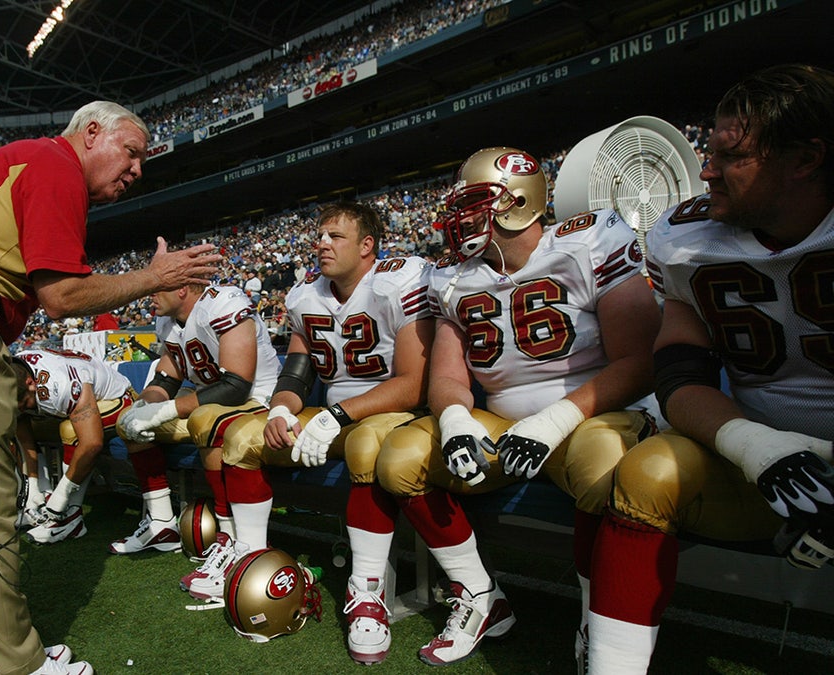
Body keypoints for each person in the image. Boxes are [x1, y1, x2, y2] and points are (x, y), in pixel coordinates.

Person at [0, 100, 219, 675]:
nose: (137, 171)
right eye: (131, 153)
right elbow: (63, 297)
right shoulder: (54, 165)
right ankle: (10, 665)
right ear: (91, 132)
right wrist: (156, 278)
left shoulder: (30, 162)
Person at [588, 63, 834, 674]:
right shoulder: (688, 238)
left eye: (732, 156)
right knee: (649, 470)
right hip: (764, 464)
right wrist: (758, 447)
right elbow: (679, 375)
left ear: (805, 160)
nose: (704, 171)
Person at [374, 147, 661, 668]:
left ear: (519, 202)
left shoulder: (588, 244)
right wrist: (457, 419)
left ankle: (600, 618)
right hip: (504, 424)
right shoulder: (453, 278)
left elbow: (640, 361)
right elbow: (446, 376)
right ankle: (479, 594)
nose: (461, 218)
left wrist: (554, 421)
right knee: (400, 457)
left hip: (590, 415)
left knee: (605, 462)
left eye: (476, 202)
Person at [217, 201, 434, 664]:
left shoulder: (399, 281)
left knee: (366, 445)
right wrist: (279, 410)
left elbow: (413, 384)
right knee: (241, 437)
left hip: (391, 412)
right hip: (332, 413)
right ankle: (249, 558)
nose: (321, 243)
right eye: (320, 235)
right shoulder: (304, 296)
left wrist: (338, 415)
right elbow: (297, 376)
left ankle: (368, 593)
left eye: (335, 236)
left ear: (367, 245)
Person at [110, 282, 280, 558]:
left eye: (156, 287)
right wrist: (144, 405)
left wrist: (166, 411)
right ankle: (162, 522)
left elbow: (236, 385)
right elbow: (166, 378)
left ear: (182, 289)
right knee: (127, 421)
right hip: (208, 404)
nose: (147, 294)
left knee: (205, 421)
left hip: (256, 399)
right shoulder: (168, 322)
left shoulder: (223, 302)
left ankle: (230, 536)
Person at [12, 347, 136, 544]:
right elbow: (24, 439)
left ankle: (70, 517)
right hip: (69, 399)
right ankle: (40, 500)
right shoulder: (13, 375)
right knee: (10, 431)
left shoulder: (58, 385)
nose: (23, 408)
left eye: (25, 402)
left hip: (118, 398)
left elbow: (92, 443)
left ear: (31, 383)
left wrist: (62, 495)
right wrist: (32, 486)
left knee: (72, 432)